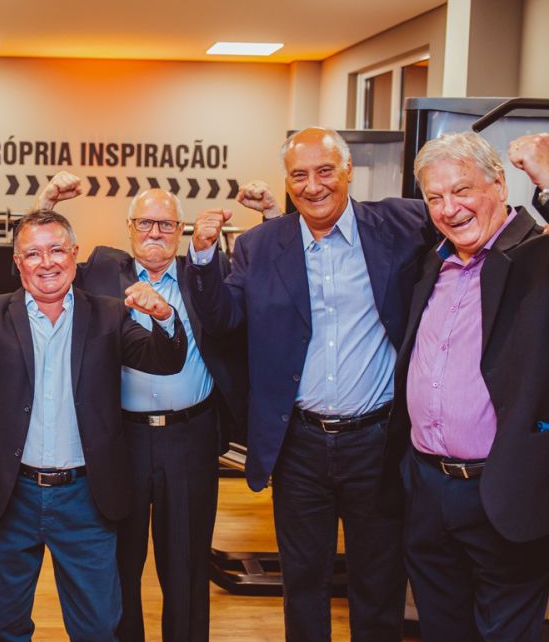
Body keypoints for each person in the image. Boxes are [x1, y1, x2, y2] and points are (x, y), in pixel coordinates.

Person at [187, 126, 435, 640]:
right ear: (287, 181)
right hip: (298, 443)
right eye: (299, 175)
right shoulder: (260, 245)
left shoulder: (402, 223)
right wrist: (204, 256)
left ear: (348, 171)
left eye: (325, 171)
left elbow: (470, 222)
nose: (313, 185)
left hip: (378, 441)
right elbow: (224, 317)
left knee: (379, 585)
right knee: (303, 585)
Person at [0, 209, 188, 641]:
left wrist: (164, 316)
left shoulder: (110, 315)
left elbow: (165, 359)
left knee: (98, 629)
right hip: (12, 496)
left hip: (87, 499)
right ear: (17, 262)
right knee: (4, 628)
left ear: (75, 254)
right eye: (33, 253)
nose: (46, 262)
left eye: (57, 250)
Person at [31, 175, 248, 641]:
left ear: (180, 231)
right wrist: (45, 203)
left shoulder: (204, 274)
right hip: (121, 440)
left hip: (189, 438)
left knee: (187, 567)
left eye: (166, 225)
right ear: (129, 228)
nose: (155, 232)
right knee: (120, 565)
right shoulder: (102, 270)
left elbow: (234, 321)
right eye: (145, 223)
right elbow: (42, 275)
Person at [386, 131, 549, 640]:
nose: (449, 209)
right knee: (441, 628)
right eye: (435, 197)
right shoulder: (433, 263)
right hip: (427, 489)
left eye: (462, 190)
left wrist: (547, 179)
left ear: (499, 184)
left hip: (503, 492)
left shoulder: (538, 257)